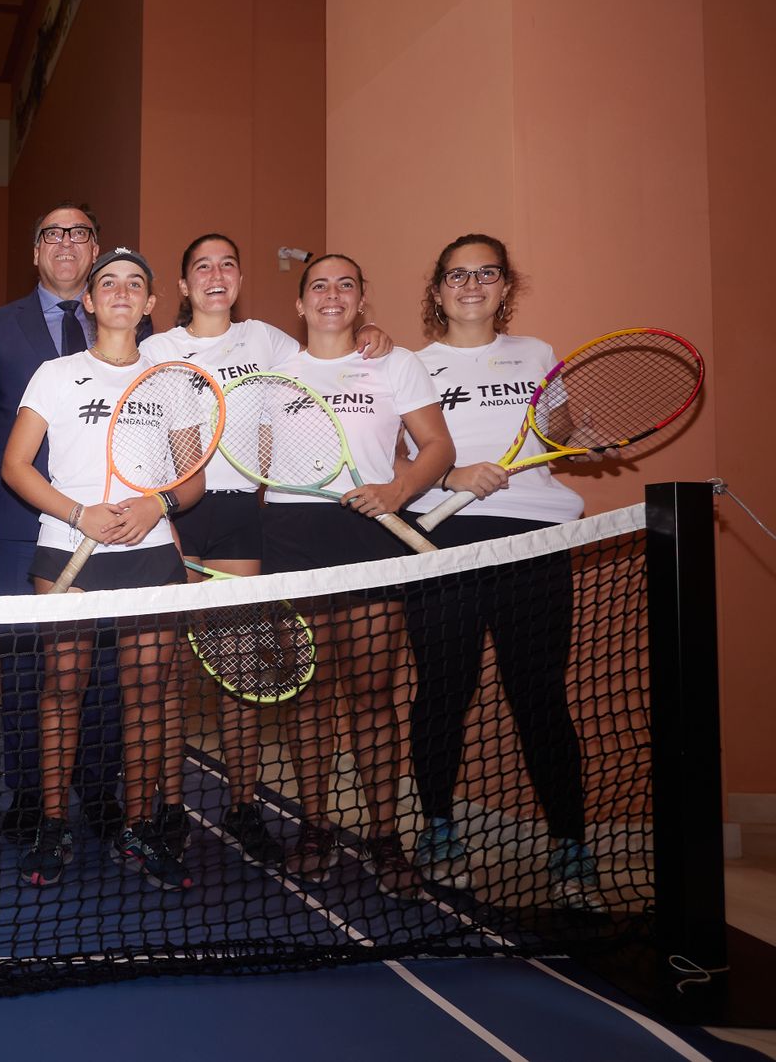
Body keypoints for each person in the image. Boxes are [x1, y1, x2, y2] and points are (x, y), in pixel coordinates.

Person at [141, 233, 395, 864]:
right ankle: (169, 807)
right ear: (183, 285)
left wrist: (371, 336)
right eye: (202, 266)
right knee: (167, 675)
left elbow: (327, 356)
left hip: (239, 516)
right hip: (173, 515)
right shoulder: (157, 348)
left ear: (239, 278)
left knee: (241, 672)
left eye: (228, 264)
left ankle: (243, 804)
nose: (216, 275)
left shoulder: (268, 342)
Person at [400, 233, 598, 910]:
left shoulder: (538, 354)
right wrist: (451, 474)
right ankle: (438, 829)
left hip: (534, 541)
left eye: (486, 273)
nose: (472, 285)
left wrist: (580, 439)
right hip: (443, 545)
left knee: (539, 695)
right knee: (443, 692)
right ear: (437, 291)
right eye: (457, 275)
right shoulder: (410, 366)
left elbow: (559, 434)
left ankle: (570, 845)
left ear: (506, 286)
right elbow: (390, 461)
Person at [2, 247, 204, 890]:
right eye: (107, 283)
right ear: (88, 300)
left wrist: (156, 504)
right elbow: (15, 466)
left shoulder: (172, 382)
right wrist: (78, 513)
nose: (121, 291)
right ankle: (53, 824)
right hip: (67, 549)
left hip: (151, 552)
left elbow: (192, 480)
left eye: (134, 284)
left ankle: (139, 827)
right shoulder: (55, 374)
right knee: (63, 688)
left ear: (150, 303)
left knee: (146, 693)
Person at [264, 253, 452, 900]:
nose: (332, 294)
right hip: (291, 537)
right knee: (308, 695)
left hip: (370, 532)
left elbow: (438, 448)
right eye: (319, 285)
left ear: (362, 299)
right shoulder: (273, 372)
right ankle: (315, 827)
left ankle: (384, 836)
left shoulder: (396, 364)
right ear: (300, 304)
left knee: (373, 694)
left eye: (346, 284)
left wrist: (397, 491)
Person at [0, 202, 136, 847]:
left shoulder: (131, 322)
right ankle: (31, 794)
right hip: (18, 526)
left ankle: (99, 789)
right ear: (35, 252)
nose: (65, 243)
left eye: (79, 233)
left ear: (96, 250)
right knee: (26, 668)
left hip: (110, 528)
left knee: (105, 666)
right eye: (51, 234)